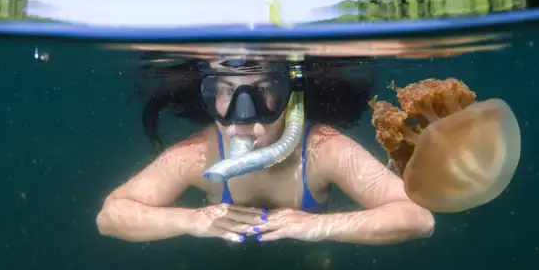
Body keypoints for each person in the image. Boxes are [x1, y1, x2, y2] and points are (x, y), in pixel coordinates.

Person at [95, 57, 435, 245]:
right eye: (227, 90)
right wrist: (191, 221)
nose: (244, 114)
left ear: (291, 97)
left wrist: (317, 228)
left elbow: (418, 217)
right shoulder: (197, 155)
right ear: (210, 96)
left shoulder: (322, 150)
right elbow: (111, 215)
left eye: (264, 90)